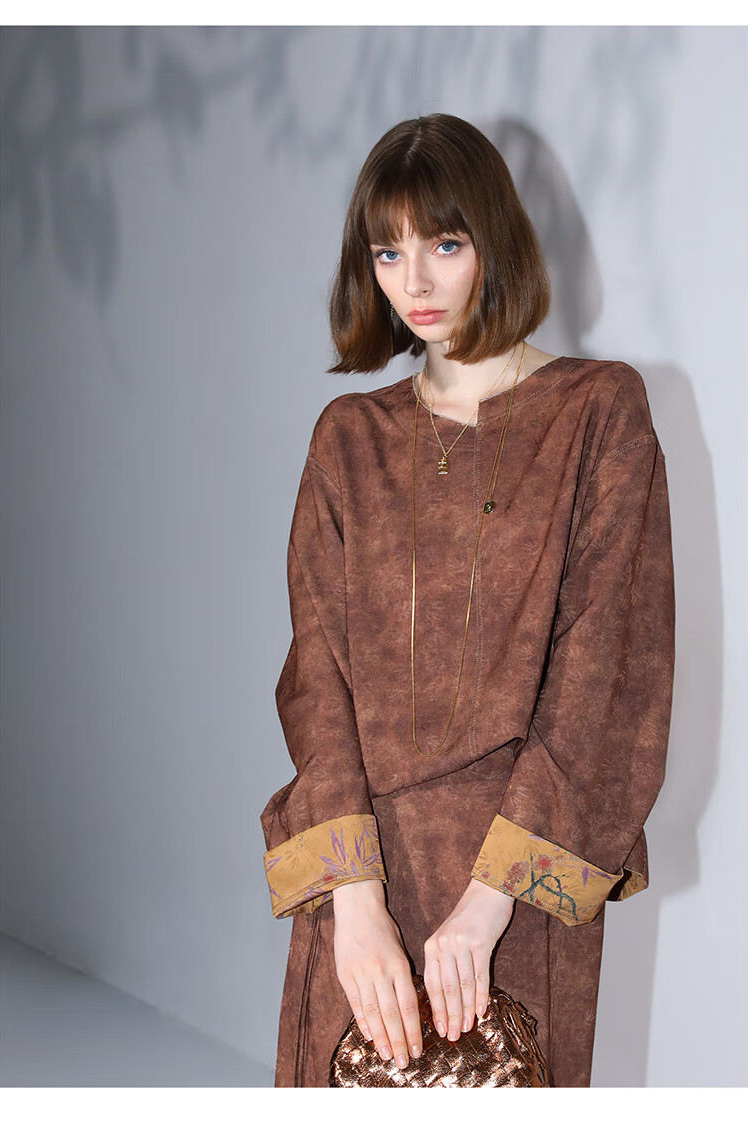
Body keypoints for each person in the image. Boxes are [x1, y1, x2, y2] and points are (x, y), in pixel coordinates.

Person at [259, 112, 676, 1088]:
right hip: (363, 884)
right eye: (388, 251)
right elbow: (318, 683)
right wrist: (354, 903)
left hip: (517, 892)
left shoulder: (598, 413)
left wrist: (488, 906)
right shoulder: (346, 440)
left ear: (496, 239)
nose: (415, 280)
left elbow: (607, 677)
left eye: (444, 243)